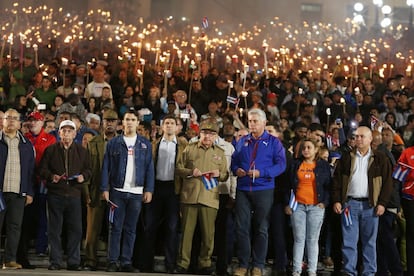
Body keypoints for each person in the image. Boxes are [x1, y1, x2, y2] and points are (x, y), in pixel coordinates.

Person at [231, 108, 286, 276]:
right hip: (243, 188)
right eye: (249, 121)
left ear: (264, 122)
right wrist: (237, 170)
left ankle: (258, 265)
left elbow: (281, 165)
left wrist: (262, 173)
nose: (252, 124)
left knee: (261, 228)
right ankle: (242, 263)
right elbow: (234, 161)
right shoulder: (243, 141)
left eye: (255, 121)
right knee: (241, 228)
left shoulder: (274, 142)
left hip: (264, 189)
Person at [332, 126, 393, 275]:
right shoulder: (346, 157)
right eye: (356, 136)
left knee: (369, 243)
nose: (357, 139)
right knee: (348, 242)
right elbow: (337, 181)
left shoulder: (380, 158)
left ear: (370, 139)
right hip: (349, 205)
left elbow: (388, 184)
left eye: (361, 136)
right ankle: (349, 272)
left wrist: (382, 203)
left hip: (370, 206)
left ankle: (369, 273)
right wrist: (337, 200)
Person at [100, 110, 154, 273]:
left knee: (131, 229)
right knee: (115, 227)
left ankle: (126, 261)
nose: (129, 122)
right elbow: (106, 167)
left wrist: (149, 189)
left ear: (138, 123)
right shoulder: (113, 143)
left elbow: (149, 168)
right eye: (127, 119)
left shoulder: (145, 144)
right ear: (122, 123)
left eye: (132, 120)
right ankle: (112, 261)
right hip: (117, 191)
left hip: (136, 192)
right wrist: (105, 188)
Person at [175, 119, 229, 274]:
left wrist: (220, 174)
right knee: (186, 233)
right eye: (205, 133)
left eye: (211, 134)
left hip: (209, 198)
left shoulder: (219, 152)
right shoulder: (189, 149)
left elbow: (226, 175)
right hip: (189, 196)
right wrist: (191, 172)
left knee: (208, 235)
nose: (207, 137)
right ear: (200, 133)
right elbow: (178, 168)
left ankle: (205, 263)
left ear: (216, 136)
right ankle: (183, 264)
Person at [39, 119, 91, 271]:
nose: (67, 133)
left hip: (74, 195)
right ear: (59, 133)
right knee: (54, 230)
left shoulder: (82, 151)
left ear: (75, 134)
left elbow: (89, 169)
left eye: (70, 131)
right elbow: (42, 170)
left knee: (75, 229)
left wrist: (83, 176)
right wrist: (51, 176)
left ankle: (73, 261)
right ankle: (55, 261)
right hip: (55, 194)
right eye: (64, 130)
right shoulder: (51, 150)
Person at [141, 114, 187, 273]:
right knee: (150, 227)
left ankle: (170, 265)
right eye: (166, 123)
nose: (168, 126)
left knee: (172, 228)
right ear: (162, 126)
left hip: (173, 190)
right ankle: (146, 264)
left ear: (177, 127)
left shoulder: (183, 145)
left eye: (172, 123)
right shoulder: (154, 145)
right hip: (156, 188)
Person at [286, 138, 331, 276]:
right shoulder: (295, 164)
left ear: (316, 150)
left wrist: (324, 202)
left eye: (309, 147)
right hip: (297, 206)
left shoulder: (323, 165)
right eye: (304, 147)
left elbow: (329, 186)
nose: (305, 150)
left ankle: (312, 271)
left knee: (312, 240)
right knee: (299, 239)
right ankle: (296, 270)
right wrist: (287, 203)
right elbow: (288, 186)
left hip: (316, 207)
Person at [17, 111, 56, 268]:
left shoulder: (50, 139)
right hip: (26, 183)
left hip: (43, 184)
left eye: (36, 121)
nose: (33, 123)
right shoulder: (23, 138)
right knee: (24, 220)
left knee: (42, 218)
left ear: (42, 123)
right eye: (30, 121)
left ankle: (41, 248)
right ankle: (22, 255)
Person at [82, 109, 119, 271]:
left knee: (116, 229)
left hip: (117, 192)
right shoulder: (94, 142)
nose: (109, 123)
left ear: (117, 123)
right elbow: (87, 168)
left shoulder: (123, 142)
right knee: (92, 229)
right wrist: (86, 192)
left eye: (112, 120)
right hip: (96, 190)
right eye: (107, 120)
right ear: (102, 123)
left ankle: (113, 260)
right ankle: (90, 260)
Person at [0, 109, 35, 269]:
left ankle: (10, 260)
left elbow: (30, 171)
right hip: (0, 192)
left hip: (19, 192)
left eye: (15, 118)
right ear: (3, 121)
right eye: (8, 118)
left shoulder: (27, 145)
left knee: (14, 227)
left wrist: (29, 192)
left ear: (20, 123)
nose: (11, 121)